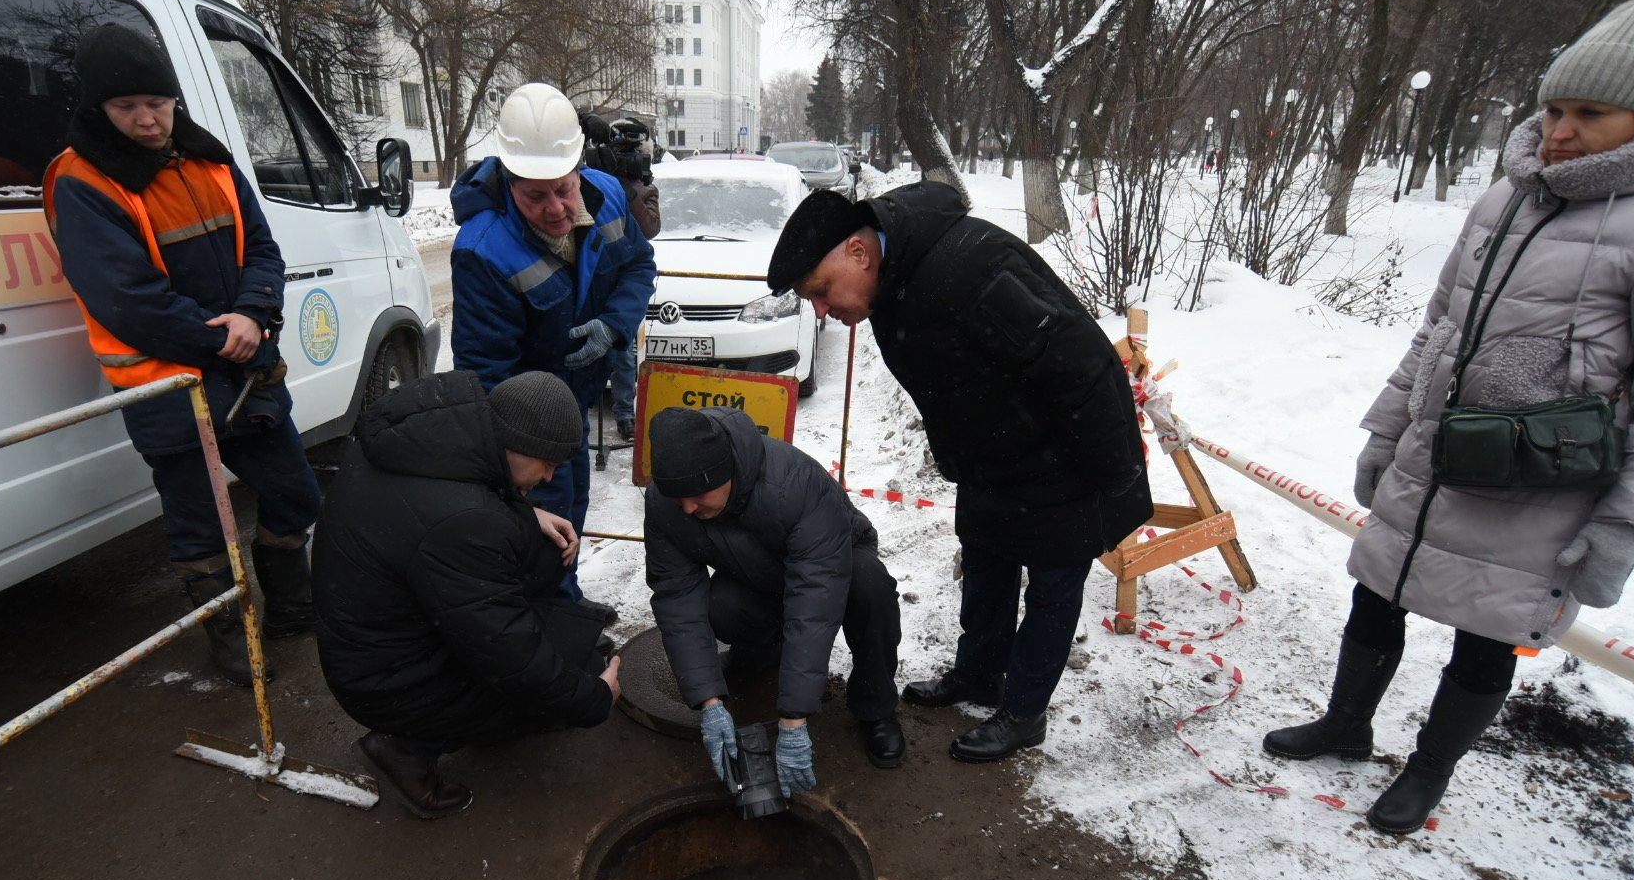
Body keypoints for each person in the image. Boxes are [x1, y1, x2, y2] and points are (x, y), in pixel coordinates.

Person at [1264, 0, 1634, 835]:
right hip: (1435, 455)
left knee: (1487, 633)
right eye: (1553, 107)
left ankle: (1429, 771)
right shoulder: (1505, 198)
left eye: (1590, 113)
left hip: (1541, 477)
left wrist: (1629, 523)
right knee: (1378, 593)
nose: (1560, 130)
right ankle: (1346, 725)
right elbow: (1439, 327)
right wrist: (1388, 428)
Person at [767, 184, 1152, 763]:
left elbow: (1078, 364)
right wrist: (956, 454)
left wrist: (1114, 473)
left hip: (1061, 454)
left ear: (858, 252)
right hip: (993, 458)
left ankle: (1024, 713)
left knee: (1051, 585)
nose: (822, 311)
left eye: (821, 291)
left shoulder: (970, 265)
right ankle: (978, 674)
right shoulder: (891, 286)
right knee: (987, 562)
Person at [44, 23, 319, 686]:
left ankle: (290, 613)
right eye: (126, 108)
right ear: (98, 109)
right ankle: (232, 647)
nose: (145, 121)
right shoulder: (80, 179)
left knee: (294, 495)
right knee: (201, 529)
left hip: (245, 373)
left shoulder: (209, 157)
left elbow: (262, 249)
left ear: (174, 99)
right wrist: (221, 334)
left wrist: (253, 313)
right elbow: (127, 300)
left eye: (156, 104)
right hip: (170, 385)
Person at [311, 371, 623, 819]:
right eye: (547, 463)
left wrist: (525, 515)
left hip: (375, 636)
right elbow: (509, 659)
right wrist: (590, 699)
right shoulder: (460, 521)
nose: (552, 475)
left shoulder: (425, 444)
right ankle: (405, 748)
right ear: (515, 444)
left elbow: (443, 518)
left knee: (541, 550)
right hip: (389, 682)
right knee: (575, 679)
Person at [450, 82, 657, 604]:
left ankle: (566, 599)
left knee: (574, 508)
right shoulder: (484, 250)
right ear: (508, 180)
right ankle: (551, 620)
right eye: (535, 196)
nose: (557, 208)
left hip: (576, 402)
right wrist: (515, 462)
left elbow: (638, 265)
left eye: (564, 189)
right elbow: (484, 370)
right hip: (526, 424)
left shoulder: (607, 195)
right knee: (541, 527)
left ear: (578, 168)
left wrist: (614, 323)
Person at [644, 407, 905, 793]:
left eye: (696, 495)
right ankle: (763, 651)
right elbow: (677, 596)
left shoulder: (794, 484)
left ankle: (875, 706)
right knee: (720, 604)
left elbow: (814, 599)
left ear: (726, 472)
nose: (686, 508)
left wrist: (793, 720)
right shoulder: (669, 503)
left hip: (839, 560)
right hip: (759, 571)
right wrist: (708, 703)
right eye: (676, 496)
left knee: (871, 589)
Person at [580, 113, 663, 443]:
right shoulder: (593, 180)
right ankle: (581, 410)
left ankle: (626, 413)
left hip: (620, 285)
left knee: (623, 354)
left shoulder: (645, 187)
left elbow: (650, 229)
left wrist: (624, 189)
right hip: (590, 279)